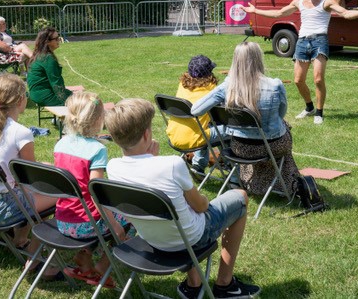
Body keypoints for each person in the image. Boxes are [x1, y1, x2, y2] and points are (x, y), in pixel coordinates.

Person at [105, 98, 260, 299]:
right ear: (146, 134)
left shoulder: (113, 167)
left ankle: (193, 284)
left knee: (180, 211)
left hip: (152, 239)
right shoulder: (171, 165)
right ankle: (225, 284)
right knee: (240, 197)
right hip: (192, 239)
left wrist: (151, 160)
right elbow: (201, 206)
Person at [242, 0, 358, 124]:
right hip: (302, 42)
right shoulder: (298, 1)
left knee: (318, 79)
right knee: (298, 80)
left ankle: (319, 112)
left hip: (319, 41)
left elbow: (345, 14)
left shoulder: (326, 1)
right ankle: (309, 107)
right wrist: (255, 10)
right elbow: (279, 14)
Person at [192, 42, 300, 198]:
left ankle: (257, 182)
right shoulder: (275, 85)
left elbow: (195, 110)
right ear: (259, 59)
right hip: (272, 145)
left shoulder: (227, 86)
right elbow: (281, 115)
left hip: (240, 148)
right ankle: (286, 182)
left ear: (235, 61)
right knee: (285, 130)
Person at [0, 74, 58, 265]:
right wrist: (50, 168)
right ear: (20, 100)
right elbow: (32, 177)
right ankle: (34, 257)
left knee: (24, 189)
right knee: (60, 194)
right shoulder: (21, 133)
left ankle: (18, 239)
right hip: (0, 209)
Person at [54, 91, 129, 288]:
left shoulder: (60, 144)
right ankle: (103, 265)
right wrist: (114, 223)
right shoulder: (97, 150)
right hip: (86, 225)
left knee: (103, 217)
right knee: (128, 217)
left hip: (62, 219)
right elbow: (96, 193)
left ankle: (84, 258)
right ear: (98, 120)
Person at [166, 55, 220, 175]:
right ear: (209, 73)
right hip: (194, 138)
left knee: (203, 127)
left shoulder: (182, 85)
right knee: (230, 130)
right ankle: (233, 169)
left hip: (174, 135)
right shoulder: (212, 90)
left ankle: (198, 165)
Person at [27, 27, 72, 107]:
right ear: (47, 42)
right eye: (56, 38)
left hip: (36, 95)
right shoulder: (47, 58)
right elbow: (56, 82)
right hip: (45, 96)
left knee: (73, 95)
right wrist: (66, 99)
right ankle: (62, 118)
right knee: (79, 101)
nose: (59, 40)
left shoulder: (40, 55)